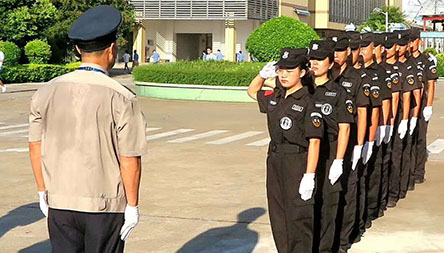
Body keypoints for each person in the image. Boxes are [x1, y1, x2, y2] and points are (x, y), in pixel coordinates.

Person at [28, 5, 147, 252]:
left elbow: (35, 145)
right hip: (103, 206)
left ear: (79, 49)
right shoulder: (121, 97)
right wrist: (132, 205)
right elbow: (129, 158)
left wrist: (42, 191)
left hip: (60, 201)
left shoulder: (46, 91)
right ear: (112, 49)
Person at [247, 48, 323, 252]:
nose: (284, 74)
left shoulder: (308, 101)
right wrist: (262, 75)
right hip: (274, 158)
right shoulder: (276, 97)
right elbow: (252, 91)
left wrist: (309, 175)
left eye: (290, 70)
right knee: (278, 213)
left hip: (297, 160)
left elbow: (314, 141)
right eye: (281, 69)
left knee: (298, 216)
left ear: (302, 72)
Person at [307, 40, 353, 253]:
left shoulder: (338, 92)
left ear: (330, 62)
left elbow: (344, 129)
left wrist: (338, 161)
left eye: (319, 60)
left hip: (329, 150)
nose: (314, 64)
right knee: (307, 204)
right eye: (312, 59)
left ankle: (326, 248)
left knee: (328, 204)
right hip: (305, 152)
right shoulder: (303, 88)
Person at [328, 34, 370, 253]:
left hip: (350, 138)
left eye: (340, 51)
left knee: (349, 187)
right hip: (329, 141)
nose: (336, 55)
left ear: (349, 53)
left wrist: (362, 144)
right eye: (333, 51)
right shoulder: (323, 78)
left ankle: (346, 237)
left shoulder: (358, 76)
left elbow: (362, 114)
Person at [408, 29, 438, 189]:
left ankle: (418, 172)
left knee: (420, 138)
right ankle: (409, 171)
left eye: (413, 41)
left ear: (418, 41)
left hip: (421, 105)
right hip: (407, 105)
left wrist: (429, 106)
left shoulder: (426, 61)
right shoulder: (405, 60)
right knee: (408, 140)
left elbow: (431, 85)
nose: (410, 44)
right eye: (409, 41)